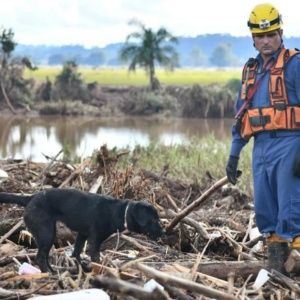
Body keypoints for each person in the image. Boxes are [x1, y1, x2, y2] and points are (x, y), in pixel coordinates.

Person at [226, 3, 300, 274]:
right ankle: (277, 270)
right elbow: (241, 116)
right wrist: (234, 153)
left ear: (281, 33)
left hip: (291, 144)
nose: (266, 41)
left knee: (291, 206)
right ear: (253, 39)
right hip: (262, 147)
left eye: (271, 35)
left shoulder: (295, 64)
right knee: (265, 208)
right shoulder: (251, 71)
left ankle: (297, 261)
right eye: (260, 36)